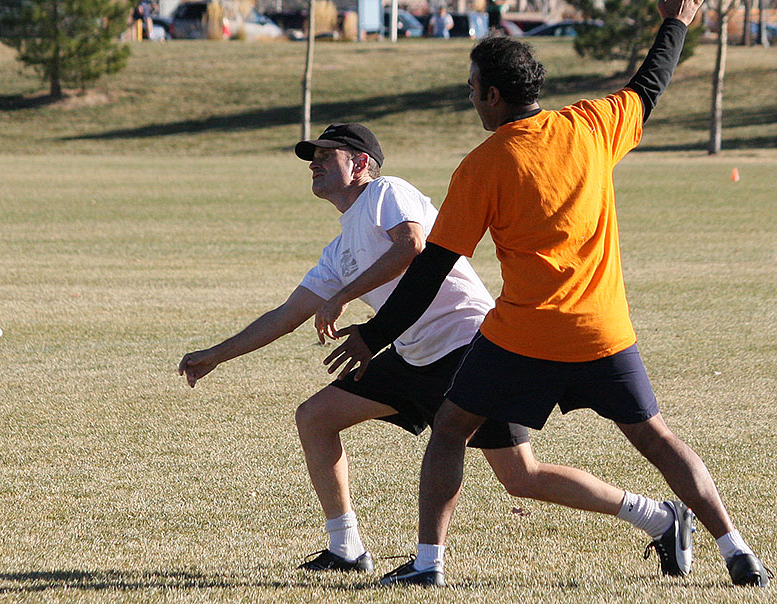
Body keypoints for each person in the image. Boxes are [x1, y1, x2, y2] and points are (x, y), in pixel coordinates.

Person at [324, 0, 770, 590]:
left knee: (452, 427)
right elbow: (650, 84)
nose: (470, 97)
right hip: (602, 331)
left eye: (472, 88)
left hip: (523, 338)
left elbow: (432, 267)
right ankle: (737, 550)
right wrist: (677, 23)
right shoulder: (590, 126)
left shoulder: (483, 166)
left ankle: (428, 565)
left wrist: (376, 334)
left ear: (492, 97)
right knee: (657, 439)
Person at [179, 124, 695, 580]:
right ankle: (346, 548)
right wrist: (215, 354)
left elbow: (413, 246)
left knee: (520, 477)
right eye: (312, 155)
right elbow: (286, 313)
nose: (313, 162)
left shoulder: (386, 192)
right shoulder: (340, 249)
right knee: (315, 416)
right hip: (412, 355)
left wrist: (342, 296)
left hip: (470, 346)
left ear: (360, 164)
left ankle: (660, 517)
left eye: (326, 153)